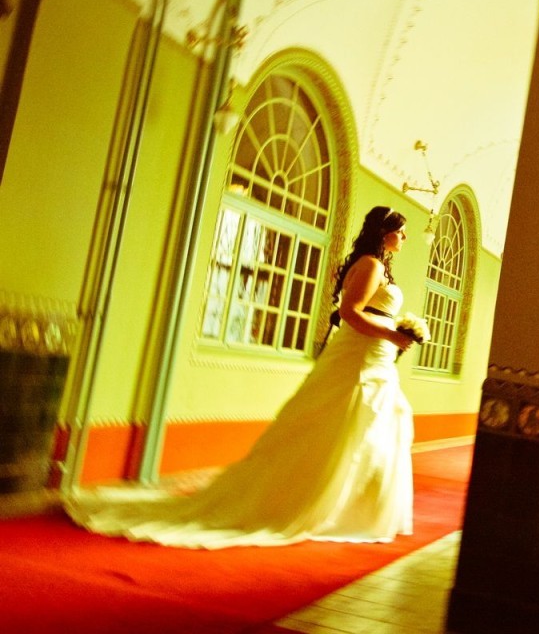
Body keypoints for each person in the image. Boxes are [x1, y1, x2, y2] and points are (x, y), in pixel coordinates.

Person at [65, 206, 419, 548]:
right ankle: (324, 505)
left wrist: (395, 334)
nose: (404, 238)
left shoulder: (379, 266)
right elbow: (350, 313)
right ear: (385, 233)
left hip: (374, 359)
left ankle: (352, 507)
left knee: (371, 426)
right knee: (346, 424)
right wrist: (392, 335)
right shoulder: (370, 264)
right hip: (359, 361)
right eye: (401, 232)